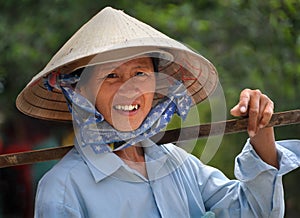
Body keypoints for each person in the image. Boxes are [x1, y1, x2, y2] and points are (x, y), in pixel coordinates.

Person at [16, 7, 300, 218]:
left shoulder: (179, 165)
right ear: (80, 92)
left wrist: (261, 130)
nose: (129, 89)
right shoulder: (63, 189)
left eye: (140, 73)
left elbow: (254, 211)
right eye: (110, 76)